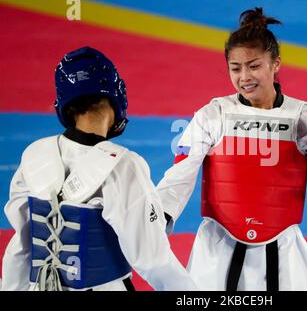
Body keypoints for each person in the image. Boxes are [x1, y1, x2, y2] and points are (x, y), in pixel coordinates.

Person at [156, 8, 307, 291]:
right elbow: (180, 174)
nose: (244, 77)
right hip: (217, 252)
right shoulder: (212, 115)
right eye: (235, 68)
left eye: (254, 66)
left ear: (275, 63)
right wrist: (158, 216)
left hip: (284, 255)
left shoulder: (305, 121)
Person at [1, 46, 198, 291]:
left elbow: (20, 250)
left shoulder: (34, 154)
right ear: (115, 95)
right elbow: (154, 260)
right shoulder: (123, 165)